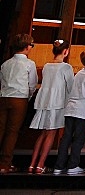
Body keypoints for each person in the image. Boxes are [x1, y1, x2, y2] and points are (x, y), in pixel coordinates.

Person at [54, 47, 85, 175]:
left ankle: (59, 166)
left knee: (66, 137)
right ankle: (73, 165)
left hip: (70, 108)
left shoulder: (78, 73)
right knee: (79, 138)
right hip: (82, 109)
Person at [29, 39, 74, 174]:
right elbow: (70, 87)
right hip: (57, 102)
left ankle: (32, 164)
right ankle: (40, 165)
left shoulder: (47, 66)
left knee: (43, 133)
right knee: (51, 133)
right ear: (65, 51)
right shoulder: (66, 67)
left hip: (44, 101)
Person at [0, 34, 36, 174]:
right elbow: (32, 84)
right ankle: (4, 163)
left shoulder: (6, 63)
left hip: (3, 96)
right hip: (19, 98)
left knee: (1, 128)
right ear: (27, 47)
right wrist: (28, 96)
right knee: (12, 132)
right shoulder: (29, 64)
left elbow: (2, 81)